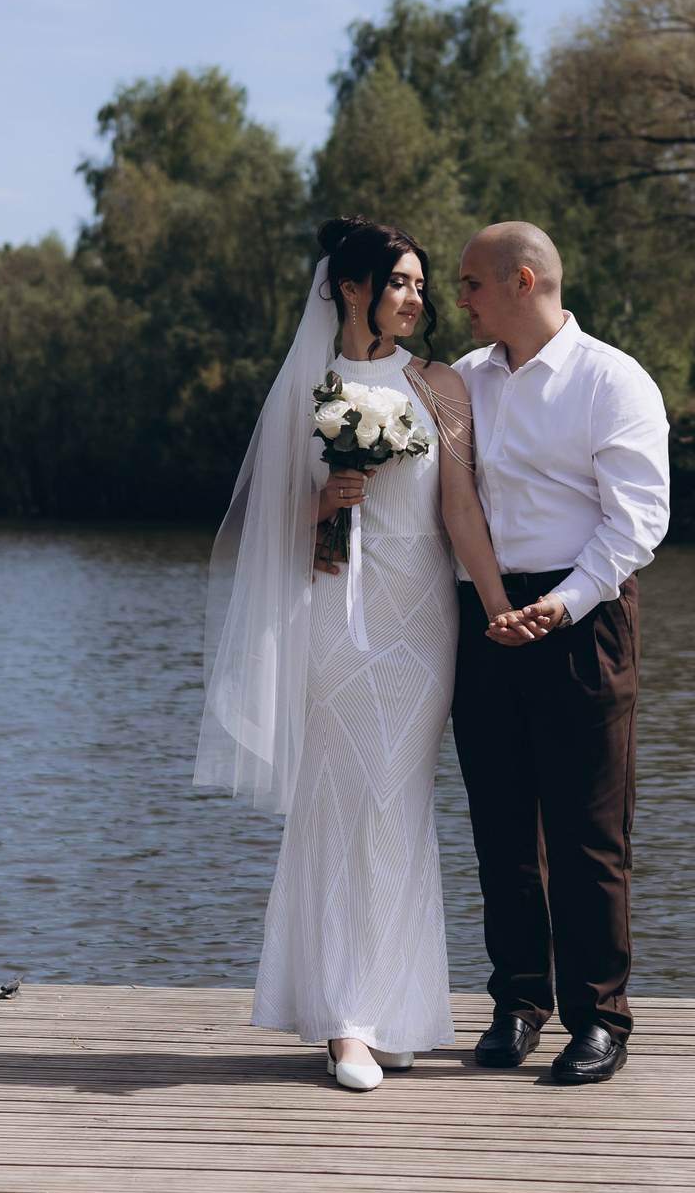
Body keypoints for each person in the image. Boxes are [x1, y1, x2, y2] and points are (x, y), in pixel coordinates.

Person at [196, 216, 517, 1092]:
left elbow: (461, 513)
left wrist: (498, 607)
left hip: (421, 620)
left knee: (400, 802)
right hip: (334, 611)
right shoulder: (308, 384)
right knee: (342, 797)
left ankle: (396, 1008)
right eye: (401, 282)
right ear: (350, 289)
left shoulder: (441, 386)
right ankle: (344, 1020)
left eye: (419, 283)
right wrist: (324, 500)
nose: (416, 297)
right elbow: (272, 528)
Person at [452, 221, 671, 1085]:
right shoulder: (463, 382)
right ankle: (517, 1002)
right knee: (500, 824)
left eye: (470, 282)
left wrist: (562, 603)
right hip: (484, 612)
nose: (456, 297)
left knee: (588, 830)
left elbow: (638, 520)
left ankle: (598, 1016)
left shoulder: (612, 380)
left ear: (523, 279)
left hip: (583, 616)